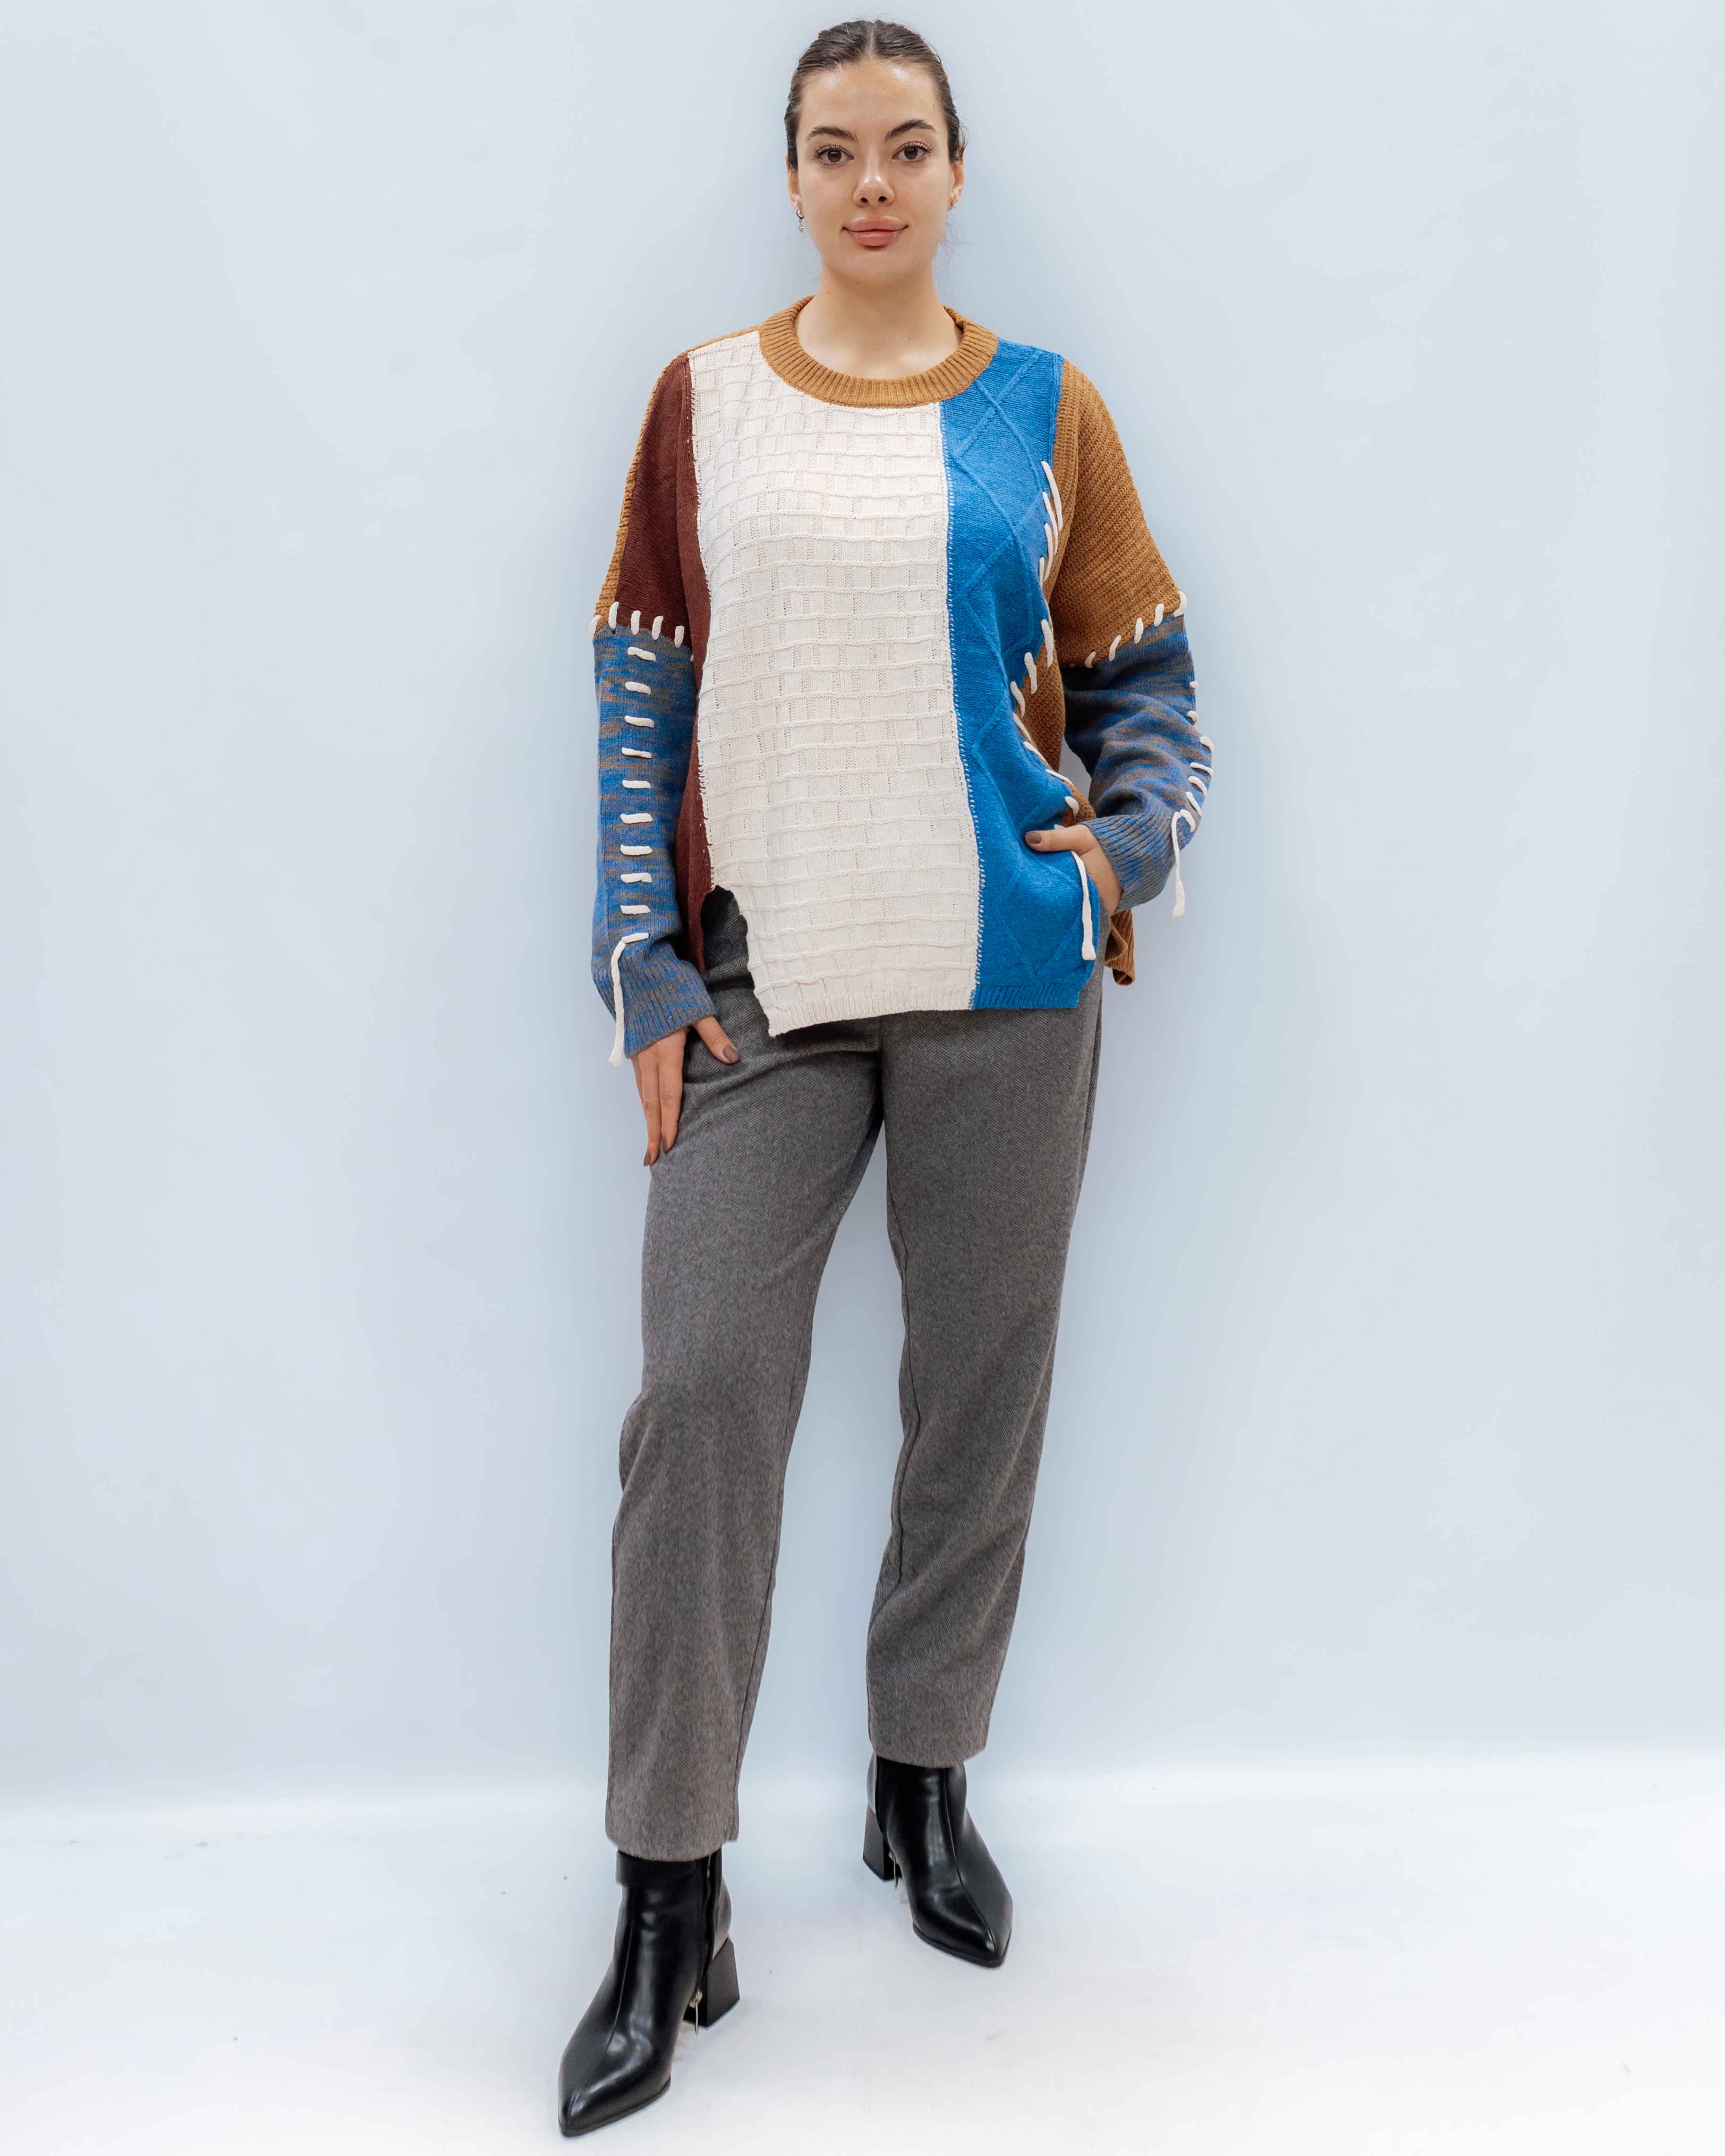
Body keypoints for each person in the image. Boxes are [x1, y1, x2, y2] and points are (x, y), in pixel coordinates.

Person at [557, 16, 1211, 2136]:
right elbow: (639, 676)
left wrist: (1117, 854)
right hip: (765, 983)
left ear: (954, 170)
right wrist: (641, 964)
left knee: (977, 1384)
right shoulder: (706, 404)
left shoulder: (1044, 406)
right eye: (834, 149)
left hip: (1003, 974)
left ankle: (922, 1775)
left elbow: (1146, 676)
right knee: (700, 1402)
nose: (870, 184)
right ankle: (668, 1892)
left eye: (906, 147)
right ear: (789, 173)